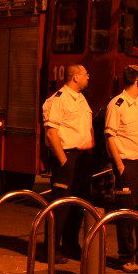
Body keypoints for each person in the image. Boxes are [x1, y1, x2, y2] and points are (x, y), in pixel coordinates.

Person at [105, 64, 138, 273]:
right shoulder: (116, 105)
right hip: (127, 165)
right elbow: (110, 137)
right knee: (126, 213)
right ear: (137, 81)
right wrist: (119, 165)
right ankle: (126, 257)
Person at [41, 64, 94, 262]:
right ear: (75, 77)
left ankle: (71, 245)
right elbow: (51, 132)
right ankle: (51, 249)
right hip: (67, 155)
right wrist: (63, 160)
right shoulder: (58, 100)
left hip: (82, 157)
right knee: (61, 203)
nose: (88, 77)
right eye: (86, 74)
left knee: (79, 202)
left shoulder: (81, 99)